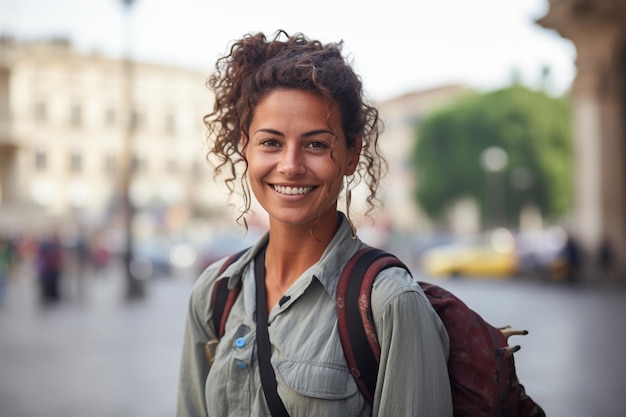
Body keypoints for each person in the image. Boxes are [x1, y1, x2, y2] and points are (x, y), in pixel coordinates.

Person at [177, 30, 452, 417]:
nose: (290, 165)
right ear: (245, 147)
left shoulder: (389, 304)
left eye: (316, 144)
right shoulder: (215, 292)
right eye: (271, 142)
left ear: (352, 153)